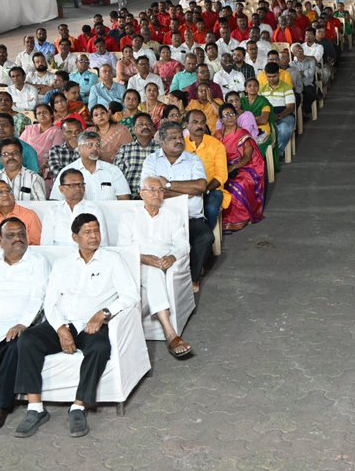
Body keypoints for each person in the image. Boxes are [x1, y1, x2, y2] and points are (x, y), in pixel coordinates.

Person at [13, 213, 139, 439]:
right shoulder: (63, 264)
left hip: (92, 325)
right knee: (28, 339)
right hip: (64, 321)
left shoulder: (113, 260)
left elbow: (130, 295)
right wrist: (61, 329)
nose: (94, 236)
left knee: (100, 348)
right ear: (75, 237)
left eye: (96, 230)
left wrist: (103, 313)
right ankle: (35, 408)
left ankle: (79, 406)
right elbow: (50, 302)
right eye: (87, 232)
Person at [118, 178, 193, 359]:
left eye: (160, 190)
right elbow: (122, 248)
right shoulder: (129, 216)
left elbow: (183, 244)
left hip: (163, 264)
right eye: (151, 190)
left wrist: (172, 257)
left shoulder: (172, 215)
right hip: (136, 264)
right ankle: (170, 334)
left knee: (154, 273)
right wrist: (143, 258)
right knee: (153, 273)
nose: (157, 194)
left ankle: (129, 329)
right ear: (141, 192)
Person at [141, 121, 214, 291]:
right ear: (162, 141)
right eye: (173, 138)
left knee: (206, 237)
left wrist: (166, 186)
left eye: (181, 137)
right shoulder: (151, 161)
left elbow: (201, 187)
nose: (179, 140)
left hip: (190, 217)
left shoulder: (193, 159)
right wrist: (187, 190)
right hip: (161, 217)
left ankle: (193, 278)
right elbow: (150, 192)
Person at [217, 104, 265, 231]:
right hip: (222, 166)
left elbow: (247, 157)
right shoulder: (217, 135)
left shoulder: (243, 134)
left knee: (238, 185)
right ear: (221, 119)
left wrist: (233, 167)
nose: (230, 117)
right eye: (226, 115)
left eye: (232, 114)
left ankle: (240, 219)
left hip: (244, 167)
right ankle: (218, 222)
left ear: (236, 116)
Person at [0, 180, 42, 245]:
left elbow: (37, 243)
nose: (5, 194)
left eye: (8, 191)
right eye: (0, 192)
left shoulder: (29, 215)